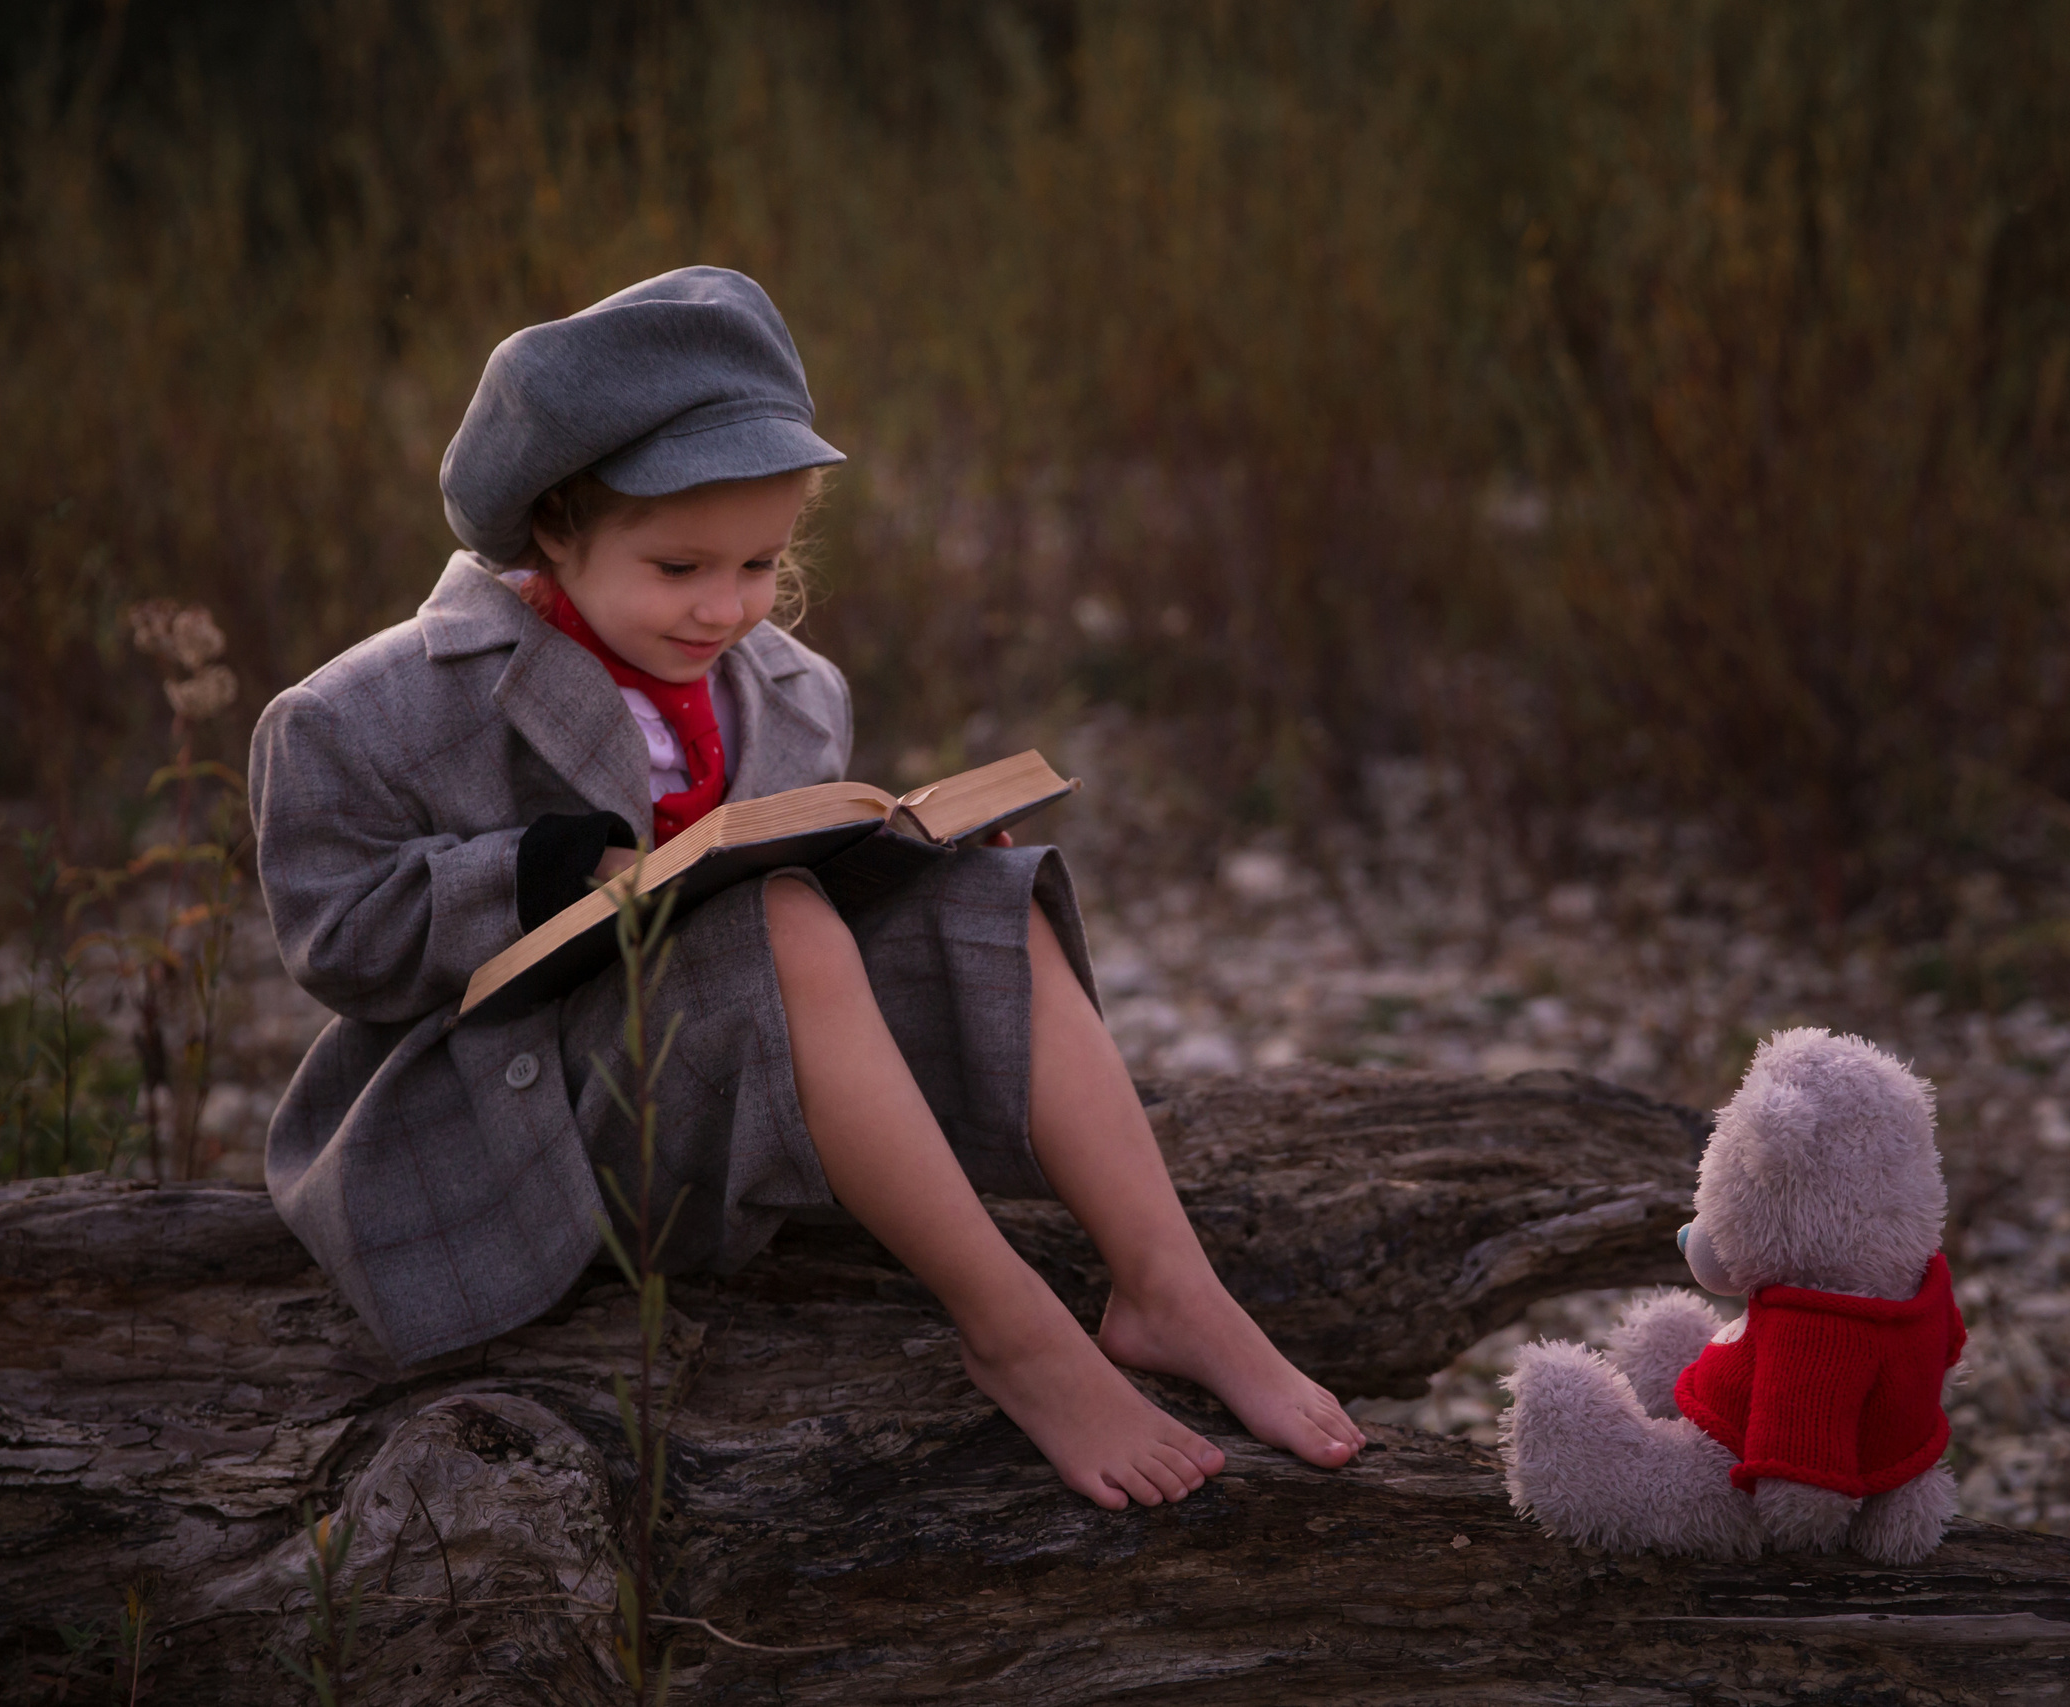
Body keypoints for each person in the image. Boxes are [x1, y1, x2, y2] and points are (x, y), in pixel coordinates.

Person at [248, 267, 1363, 1510]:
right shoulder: (365, 711)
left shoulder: (789, 685)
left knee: (979, 902)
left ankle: (1169, 1290)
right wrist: (546, 873)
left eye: (759, 564)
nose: (724, 608)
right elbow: (333, 938)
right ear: (556, 527)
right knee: (772, 914)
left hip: (730, 1111)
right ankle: (1018, 1334)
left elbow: (805, 925)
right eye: (677, 567)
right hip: (534, 1131)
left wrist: (899, 878)